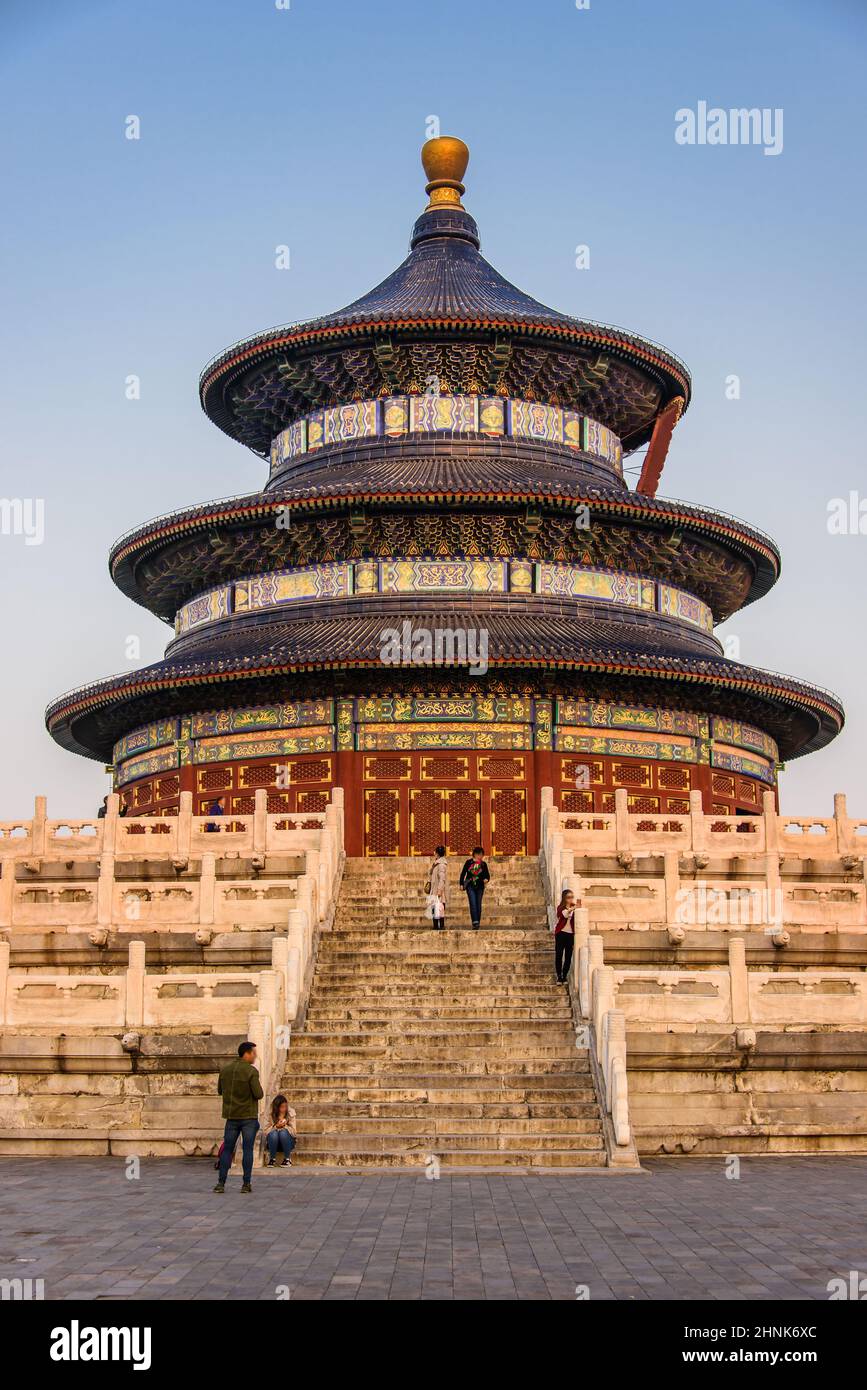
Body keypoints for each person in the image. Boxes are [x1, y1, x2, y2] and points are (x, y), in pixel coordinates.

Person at [213, 1040, 264, 1194]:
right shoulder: (251, 1072)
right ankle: (246, 1184)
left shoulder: (225, 1070)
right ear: (246, 1053)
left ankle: (221, 1183)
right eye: (253, 1053)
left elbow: (220, 1090)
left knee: (227, 1149)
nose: (255, 1056)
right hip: (248, 1116)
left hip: (231, 1116)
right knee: (247, 1149)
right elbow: (259, 1094)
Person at [459, 847, 490, 930]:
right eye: (480, 855)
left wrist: (486, 879)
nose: (481, 856)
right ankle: (475, 922)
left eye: (482, 855)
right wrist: (461, 884)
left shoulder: (483, 864)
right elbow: (463, 873)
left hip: (480, 886)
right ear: (476, 854)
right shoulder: (468, 862)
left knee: (478, 904)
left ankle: (477, 921)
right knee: (473, 903)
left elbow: (487, 875)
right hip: (470, 886)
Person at [555, 888, 580, 985]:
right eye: (568, 897)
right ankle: (559, 976)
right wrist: (572, 908)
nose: (570, 899)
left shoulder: (575, 907)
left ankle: (564, 976)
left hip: (570, 934)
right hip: (561, 933)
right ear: (564, 898)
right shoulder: (560, 907)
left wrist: (578, 907)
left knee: (568, 956)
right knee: (559, 955)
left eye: (572, 897)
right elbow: (565, 915)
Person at [265, 1094, 297, 1166]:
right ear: (277, 1107)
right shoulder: (269, 1114)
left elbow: (294, 1133)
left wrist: (285, 1126)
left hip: (288, 1142)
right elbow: (265, 1131)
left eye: (285, 1106)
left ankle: (287, 1159)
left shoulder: (290, 1113)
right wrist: (276, 1126)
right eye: (282, 1107)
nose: (284, 1109)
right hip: (273, 1143)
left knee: (283, 1132)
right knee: (274, 1133)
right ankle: (272, 1159)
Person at [427, 845, 448, 930]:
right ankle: (436, 926)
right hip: (434, 888)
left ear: (437, 853)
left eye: (435, 852)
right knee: (434, 908)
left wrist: (439, 890)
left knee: (439, 908)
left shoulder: (441, 864)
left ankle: (440, 926)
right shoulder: (436, 863)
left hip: (438, 890)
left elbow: (442, 878)